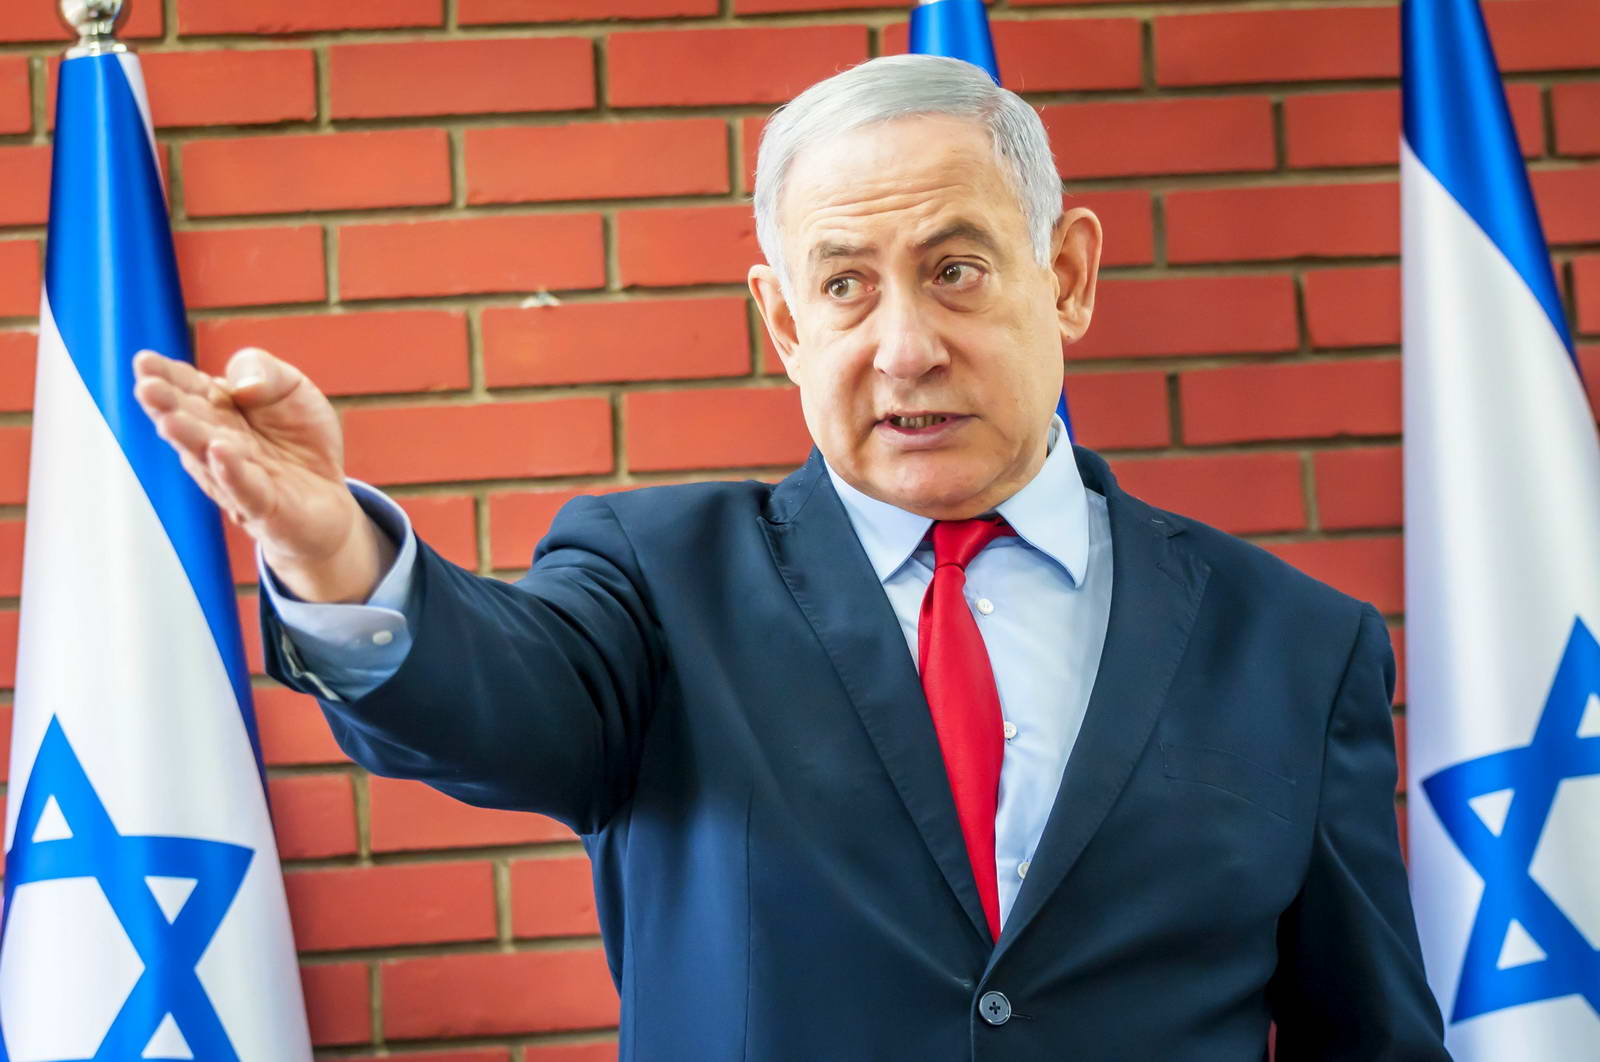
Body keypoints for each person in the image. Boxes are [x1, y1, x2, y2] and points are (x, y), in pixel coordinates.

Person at [133, 55, 1449, 1061]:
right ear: (782, 322)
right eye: (845, 285)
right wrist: (338, 553)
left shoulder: (1295, 644)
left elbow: (1370, 1035)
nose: (904, 347)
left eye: (955, 269)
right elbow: (499, 698)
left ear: (1066, 278)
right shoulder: (656, 582)